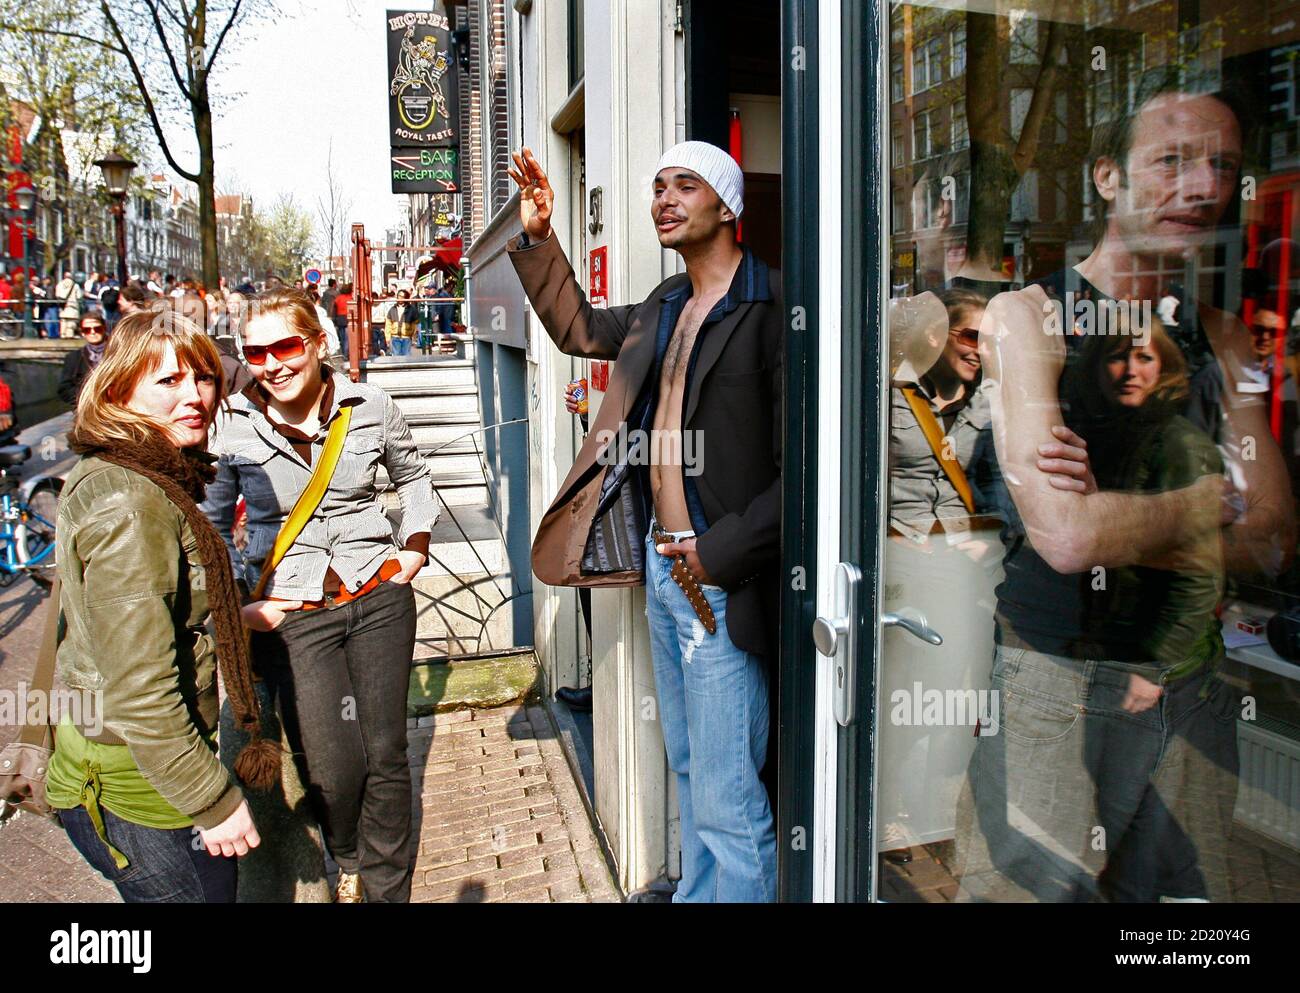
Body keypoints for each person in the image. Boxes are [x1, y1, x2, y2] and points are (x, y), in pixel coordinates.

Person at [954, 74, 1296, 904]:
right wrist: (1211, 496)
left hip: (1192, 682)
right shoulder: (1030, 319)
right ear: (1106, 176)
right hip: (1058, 684)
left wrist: (1117, 512)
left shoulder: (1219, 339)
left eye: (1221, 165)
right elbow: (1067, 538)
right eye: (1172, 159)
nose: (1205, 186)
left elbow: (1280, 534)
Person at [508, 142, 782, 902]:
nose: (662, 197)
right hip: (664, 569)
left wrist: (717, 551)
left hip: (722, 582)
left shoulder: (773, 310)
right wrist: (538, 236)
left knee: (730, 794)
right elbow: (579, 329)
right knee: (691, 761)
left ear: (726, 206)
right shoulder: (665, 303)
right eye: (656, 185)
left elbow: (806, 476)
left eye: (684, 185)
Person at [200, 289, 438, 903]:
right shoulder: (230, 426)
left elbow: (412, 474)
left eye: (285, 346)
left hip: (376, 592)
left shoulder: (370, 405)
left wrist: (412, 545)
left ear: (317, 343)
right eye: (255, 352)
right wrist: (239, 606)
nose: (272, 364)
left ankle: (386, 890)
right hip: (296, 609)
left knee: (386, 752)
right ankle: (350, 854)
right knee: (333, 767)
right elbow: (208, 523)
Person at [46, 310, 276, 903]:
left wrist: (233, 619)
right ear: (119, 391)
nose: (195, 396)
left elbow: (127, 617)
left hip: (135, 769)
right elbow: (142, 693)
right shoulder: (133, 502)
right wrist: (213, 801)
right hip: (140, 787)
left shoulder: (126, 472)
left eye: (202, 377)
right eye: (167, 381)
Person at [58, 312, 110, 405]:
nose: (93, 332)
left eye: (97, 328)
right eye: (87, 330)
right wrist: (85, 397)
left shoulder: (116, 353)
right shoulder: (73, 358)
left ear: (104, 328)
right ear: (82, 333)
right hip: (86, 409)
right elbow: (64, 389)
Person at [55, 269, 83, 338]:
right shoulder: (75, 285)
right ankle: (70, 335)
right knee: (71, 321)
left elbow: (57, 295)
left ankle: (63, 334)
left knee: (63, 321)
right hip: (73, 305)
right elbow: (79, 296)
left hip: (63, 305)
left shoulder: (59, 284)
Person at [332, 282, 352, 359]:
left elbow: (334, 309)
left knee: (342, 337)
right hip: (348, 318)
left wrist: (334, 319)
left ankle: (344, 352)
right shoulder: (350, 298)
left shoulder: (338, 298)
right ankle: (346, 353)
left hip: (340, 319)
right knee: (347, 337)